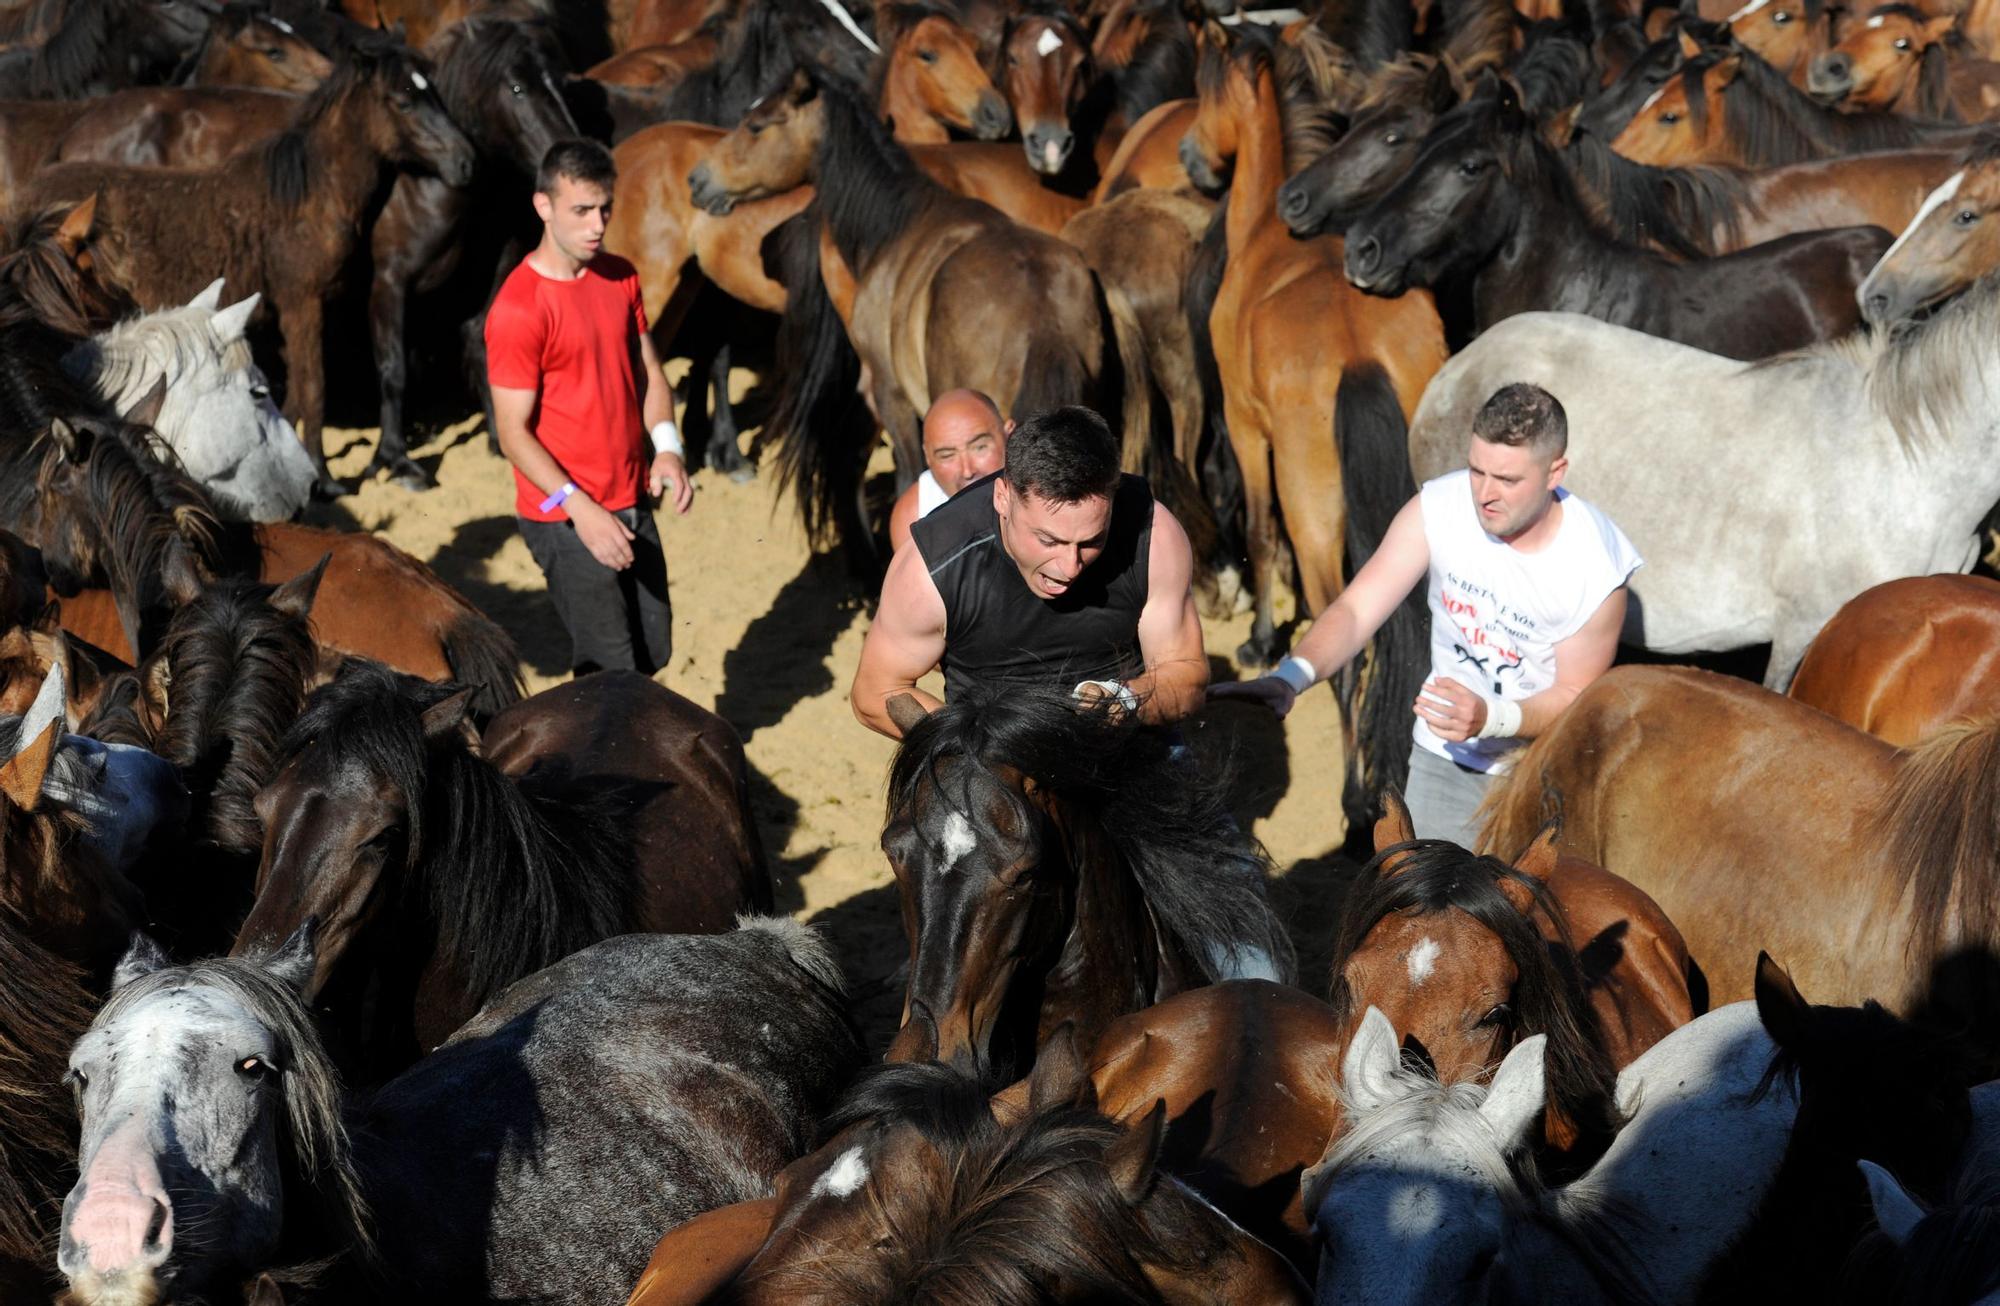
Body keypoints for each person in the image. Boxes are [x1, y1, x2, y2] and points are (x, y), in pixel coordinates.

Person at [1212, 383, 1642, 847]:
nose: (1485, 494)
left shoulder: (1595, 566)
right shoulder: (1439, 508)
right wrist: (1290, 677)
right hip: (1445, 761)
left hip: (1544, 768)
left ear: (1555, 472)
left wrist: (1490, 718)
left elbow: (1576, 694)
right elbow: (1358, 608)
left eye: (1508, 480)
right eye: (1477, 471)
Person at [851, 404, 1205, 737]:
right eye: (1048, 540)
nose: (1070, 567)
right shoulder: (934, 566)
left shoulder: (1152, 535)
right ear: (1003, 498)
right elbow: (876, 692)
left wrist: (1120, 702)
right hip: (988, 759)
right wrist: (978, 743)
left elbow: (1186, 678)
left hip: (1124, 738)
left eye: (1091, 542)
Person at [485, 138, 694, 678]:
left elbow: (648, 372)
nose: (597, 225)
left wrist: (667, 448)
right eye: (581, 210)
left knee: (655, 652)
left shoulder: (620, 275)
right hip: (564, 515)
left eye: (605, 209)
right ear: (544, 206)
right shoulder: (519, 308)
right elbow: (513, 434)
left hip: (631, 497)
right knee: (610, 673)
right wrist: (580, 510)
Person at [886, 389, 1014, 552]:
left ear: (1009, 434)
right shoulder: (915, 515)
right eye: (947, 456)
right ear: (927, 457)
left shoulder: (1040, 494)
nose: (967, 471)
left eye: (980, 448)